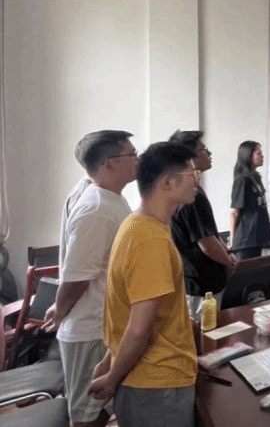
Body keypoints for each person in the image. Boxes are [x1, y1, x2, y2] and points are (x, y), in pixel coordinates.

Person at [88, 142, 200, 427]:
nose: (197, 181)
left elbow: (123, 308)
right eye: (191, 174)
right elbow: (139, 328)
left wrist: (110, 361)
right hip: (157, 384)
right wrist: (112, 379)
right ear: (167, 183)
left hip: (145, 379)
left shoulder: (135, 224)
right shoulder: (150, 240)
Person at [44, 130, 136, 427]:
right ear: (109, 164)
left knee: (102, 405)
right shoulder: (96, 209)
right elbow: (77, 276)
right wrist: (60, 310)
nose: (137, 160)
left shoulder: (108, 197)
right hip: (90, 327)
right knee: (86, 415)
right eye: (132, 155)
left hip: (103, 323)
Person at [168, 130, 237, 319]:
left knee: (211, 328)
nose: (209, 153)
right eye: (204, 150)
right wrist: (229, 262)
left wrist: (228, 252)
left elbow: (209, 232)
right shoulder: (190, 194)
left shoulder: (192, 188)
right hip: (200, 285)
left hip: (204, 280)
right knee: (204, 330)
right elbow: (206, 243)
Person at [229, 140, 270, 260]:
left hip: (257, 236)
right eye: (258, 153)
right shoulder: (242, 180)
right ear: (248, 156)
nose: (262, 156)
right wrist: (232, 239)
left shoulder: (256, 177)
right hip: (246, 240)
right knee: (246, 270)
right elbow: (234, 212)